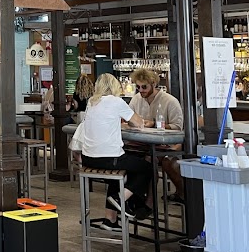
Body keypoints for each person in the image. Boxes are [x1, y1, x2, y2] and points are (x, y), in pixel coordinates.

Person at [80, 73, 151, 231]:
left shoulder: (92, 102)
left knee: (120, 172)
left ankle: (110, 220)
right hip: (108, 158)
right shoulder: (116, 101)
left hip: (87, 159)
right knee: (146, 167)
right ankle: (121, 198)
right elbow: (139, 123)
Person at [129, 67, 186, 203]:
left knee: (155, 161)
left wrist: (154, 124)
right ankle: (136, 198)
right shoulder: (136, 99)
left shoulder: (170, 101)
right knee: (132, 158)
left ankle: (151, 201)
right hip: (142, 144)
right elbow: (128, 118)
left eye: (144, 87)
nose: (141, 90)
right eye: (138, 87)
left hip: (167, 144)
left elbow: (177, 127)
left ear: (154, 84)